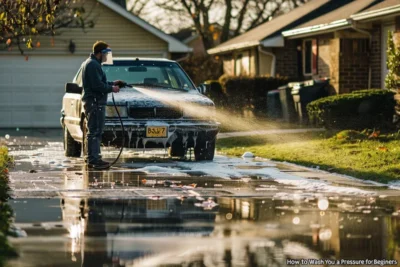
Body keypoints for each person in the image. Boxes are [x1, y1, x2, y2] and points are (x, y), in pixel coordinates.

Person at [81, 41, 124, 168]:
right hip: (95, 103)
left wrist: (113, 83)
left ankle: (93, 158)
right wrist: (112, 89)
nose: (107, 57)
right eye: (106, 53)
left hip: (94, 102)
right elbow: (97, 86)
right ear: (100, 53)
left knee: (94, 131)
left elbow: (99, 82)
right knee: (95, 131)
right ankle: (94, 159)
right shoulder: (93, 65)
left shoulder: (91, 63)